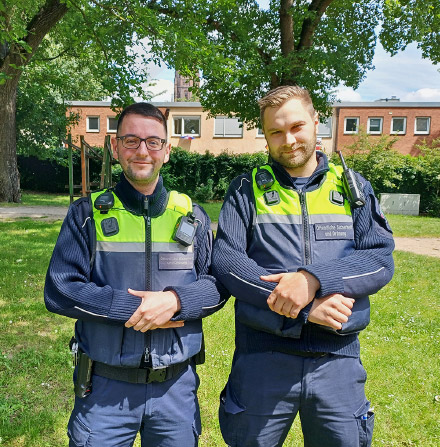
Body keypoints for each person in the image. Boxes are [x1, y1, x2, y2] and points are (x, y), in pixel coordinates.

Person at [212, 85, 395, 447]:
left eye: (297, 127)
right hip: (263, 357)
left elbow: (378, 259)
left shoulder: (353, 186)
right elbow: (227, 262)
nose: (288, 140)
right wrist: (305, 307)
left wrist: (313, 279)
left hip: (337, 360)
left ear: (315, 122)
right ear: (265, 137)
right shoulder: (244, 191)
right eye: (275, 132)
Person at [45, 102, 226, 446]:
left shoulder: (193, 216)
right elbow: (60, 288)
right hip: (104, 390)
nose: (142, 150)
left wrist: (174, 301)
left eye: (153, 142)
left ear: (167, 151)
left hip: (176, 389)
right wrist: (135, 309)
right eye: (131, 141)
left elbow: (217, 284)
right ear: (115, 148)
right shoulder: (87, 214)